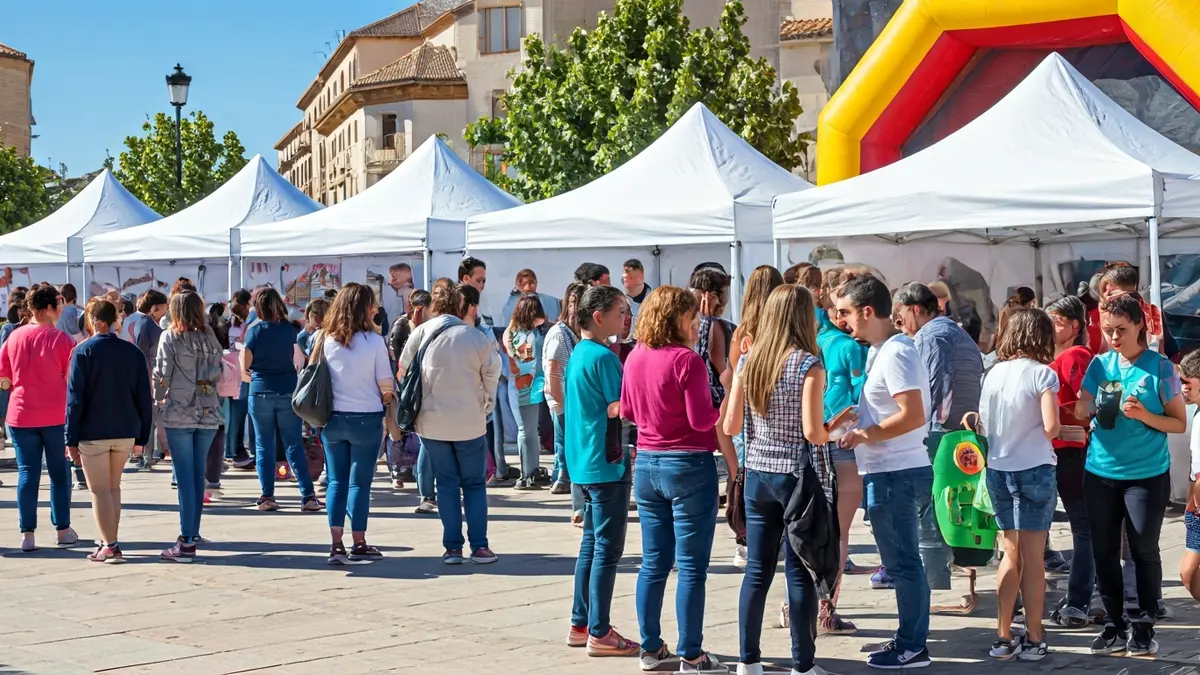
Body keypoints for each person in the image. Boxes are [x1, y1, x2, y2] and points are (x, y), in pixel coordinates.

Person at [724, 284, 832, 675]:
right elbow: (812, 432)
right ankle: (803, 664)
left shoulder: (749, 361)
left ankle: (747, 661)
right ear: (805, 317)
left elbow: (731, 423)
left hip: (757, 474)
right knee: (799, 569)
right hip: (794, 477)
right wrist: (835, 428)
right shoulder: (808, 364)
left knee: (757, 571)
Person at [621, 286, 730, 673]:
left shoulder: (635, 355)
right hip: (687, 465)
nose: (698, 325)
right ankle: (692, 653)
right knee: (691, 566)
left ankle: (650, 648)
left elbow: (629, 411)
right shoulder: (687, 361)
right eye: (693, 318)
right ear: (676, 319)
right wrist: (728, 408)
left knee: (653, 562)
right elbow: (703, 420)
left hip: (647, 463)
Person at [1075, 293, 1185, 656]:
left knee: (1142, 550)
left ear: (1140, 325)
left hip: (1146, 474)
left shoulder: (1161, 368)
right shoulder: (1100, 364)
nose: (1114, 338)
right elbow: (1080, 408)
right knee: (1104, 551)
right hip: (1100, 471)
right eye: (1108, 331)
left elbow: (1178, 422)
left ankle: (1143, 623)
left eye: (1121, 330)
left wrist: (1143, 416)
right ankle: (1114, 623)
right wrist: (1093, 407)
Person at [834, 275, 933, 669]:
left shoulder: (896, 352)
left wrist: (865, 433)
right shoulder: (884, 350)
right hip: (889, 470)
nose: (841, 321)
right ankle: (908, 640)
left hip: (897, 471)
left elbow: (913, 414)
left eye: (845, 313)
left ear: (867, 311)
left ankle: (912, 646)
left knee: (904, 563)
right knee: (901, 562)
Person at [978, 308, 1060, 660]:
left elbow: (982, 424)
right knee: (1033, 559)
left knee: (1009, 555)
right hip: (1034, 467)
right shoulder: (1043, 374)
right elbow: (1052, 427)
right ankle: (1035, 636)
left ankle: (1002, 635)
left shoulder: (993, 373)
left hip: (998, 468)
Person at [399, 284, 501, 565]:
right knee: (474, 484)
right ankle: (479, 546)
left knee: (445, 484)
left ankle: (452, 548)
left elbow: (403, 368)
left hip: (432, 422)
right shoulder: (474, 336)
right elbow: (493, 370)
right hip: (469, 420)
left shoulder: (421, 332)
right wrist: (486, 404)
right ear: (461, 306)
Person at [564, 285, 638, 657]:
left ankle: (582, 622)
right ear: (599, 317)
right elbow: (617, 408)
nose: (625, 318)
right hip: (606, 460)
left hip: (584, 459)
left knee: (591, 544)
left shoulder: (579, 352)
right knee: (607, 548)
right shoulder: (604, 357)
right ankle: (599, 630)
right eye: (620, 311)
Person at [893, 282, 980, 593]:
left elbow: (934, 386)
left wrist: (924, 428)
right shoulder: (956, 332)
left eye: (900, 312)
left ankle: (933, 586)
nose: (898, 321)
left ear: (916, 308)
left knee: (930, 509)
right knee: (950, 507)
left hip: (941, 434)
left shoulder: (931, 335)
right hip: (963, 434)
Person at [66, 299, 153, 563]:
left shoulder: (83, 352)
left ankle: (110, 545)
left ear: (94, 320)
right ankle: (109, 540)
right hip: (125, 429)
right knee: (113, 488)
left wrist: (70, 438)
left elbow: (75, 400)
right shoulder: (132, 352)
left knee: (100, 490)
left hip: (93, 431)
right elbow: (144, 397)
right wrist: (143, 437)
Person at [316, 283, 393, 564]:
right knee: (360, 484)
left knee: (336, 481)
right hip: (367, 418)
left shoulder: (325, 339)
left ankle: (336, 543)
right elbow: (386, 384)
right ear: (364, 308)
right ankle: (359, 542)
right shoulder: (374, 342)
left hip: (332, 419)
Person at [0, 286, 78, 551]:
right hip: (55, 414)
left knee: (27, 473)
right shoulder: (63, 340)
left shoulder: (13, 337)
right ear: (49, 308)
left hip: (21, 414)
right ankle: (63, 529)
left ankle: (27, 533)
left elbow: (5, 377)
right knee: (59, 472)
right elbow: (72, 380)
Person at [154, 290, 224, 562]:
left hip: (179, 411)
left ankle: (186, 541)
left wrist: (158, 401)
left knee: (184, 477)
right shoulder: (210, 337)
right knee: (197, 476)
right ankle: (192, 532)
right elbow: (217, 372)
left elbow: (162, 374)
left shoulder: (171, 337)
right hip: (208, 411)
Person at [723, 265, 784, 565]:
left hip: (744, 412)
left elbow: (734, 374)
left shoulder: (740, 334)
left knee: (744, 474)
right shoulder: (782, 332)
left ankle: (744, 537)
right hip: (775, 413)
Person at [242, 287, 320, 512]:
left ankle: (267, 496)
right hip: (287, 390)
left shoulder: (253, 331)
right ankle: (308, 496)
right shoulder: (291, 329)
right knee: (293, 444)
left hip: (260, 391)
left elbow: (247, 363)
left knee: (263, 446)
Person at [1045, 296, 1097, 629]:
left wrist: (1069, 422)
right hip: (1061, 450)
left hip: (1072, 451)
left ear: (1074, 326)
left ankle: (1078, 599)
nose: (1051, 327)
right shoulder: (1063, 356)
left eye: (1058, 321)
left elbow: (1088, 402)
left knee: (1083, 528)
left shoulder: (1075, 354)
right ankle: (1077, 597)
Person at [504, 293, 549, 490]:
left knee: (529, 431)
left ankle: (531, 471)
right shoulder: (525, 335)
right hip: (526, 386)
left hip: (526, 386)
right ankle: (527, 473)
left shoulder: (517, 331)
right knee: (526, 430)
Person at [1179, 350, 1200, 602]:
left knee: (1189, 574)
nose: (1183, 387)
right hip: (1194, 511)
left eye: (1188, 382)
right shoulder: (1195, 414)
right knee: (1190, 577)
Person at [623, 259, 652, 336]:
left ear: (642, 276)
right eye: (625, 275)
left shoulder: (654, 302)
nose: (626, 277)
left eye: (631, 276)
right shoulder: (619, 299)